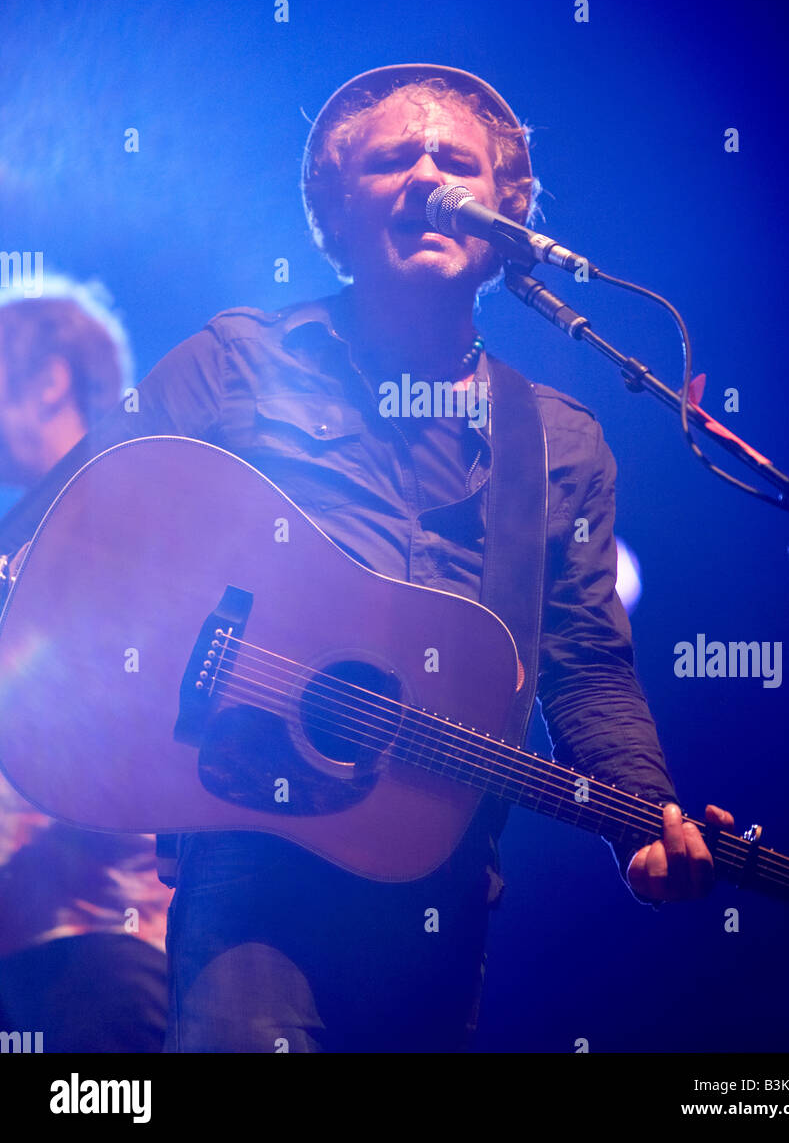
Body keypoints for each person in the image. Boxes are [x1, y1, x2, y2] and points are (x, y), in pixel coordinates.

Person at [0, 67, 734, 1052]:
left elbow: (587, 667)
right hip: (250, 853)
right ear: (333, 214)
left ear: (503, 218)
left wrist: (642, 815)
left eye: (457, 165)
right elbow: (53, 533)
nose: (427, 178)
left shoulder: (557, 440)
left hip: (439, 868)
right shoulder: (238, 357)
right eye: (393, 159)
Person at [0, 280, 171, 1052]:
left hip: (101, 940)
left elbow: (125, 728)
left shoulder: (116, 518)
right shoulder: (31, 526)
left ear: (49, 381)